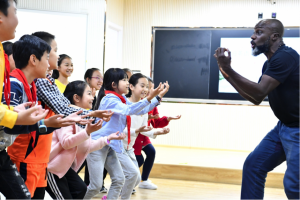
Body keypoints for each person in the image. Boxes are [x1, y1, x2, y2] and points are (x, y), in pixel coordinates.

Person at [214, 19, 300, 200]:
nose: (253, 37)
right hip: (284, 127)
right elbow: (257, 98)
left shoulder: (285, 57)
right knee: (254, 166)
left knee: (294, 186)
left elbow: (259, 91)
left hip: (297, 130)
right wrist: (226, 73)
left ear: (275, 36)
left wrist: (228, 68)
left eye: (259, 32)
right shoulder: (269, 63)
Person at [2, 35, 82, 200]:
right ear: (33, 59)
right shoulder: (16, 83)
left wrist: (49, 124)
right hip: (24, 157)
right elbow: (12, 124)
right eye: (49, 55)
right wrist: (47, 123)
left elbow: (26, 123)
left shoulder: (32, 84)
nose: (53, 59)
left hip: (38, 158)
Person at [83, 68, 168, 200]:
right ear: (113, 84)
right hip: (97, 145)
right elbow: (129, 110)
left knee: (119, 179)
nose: (127, 83)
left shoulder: (121, 98)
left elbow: (140, 110)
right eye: (124, 80)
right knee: (95, 186)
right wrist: (150, 97)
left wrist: (157, 97)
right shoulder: (110, 99)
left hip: (111, 145)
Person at [46, 80, 125, 200]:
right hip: (52, 168)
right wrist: (87, 132)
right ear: (76, 98)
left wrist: (108, 138)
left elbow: (87, 147)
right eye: (89, 93)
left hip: (64, 168)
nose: (93, 97)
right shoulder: (68, 117)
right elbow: (66, 143)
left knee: (81, 189)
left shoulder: (83, 120)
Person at [31, 31, 114, 125]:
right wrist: (92, 115)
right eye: (55, 51)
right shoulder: (41, 80)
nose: (58, 56)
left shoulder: (48, 80)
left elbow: (66, 105)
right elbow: (63, 109)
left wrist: (93, 114)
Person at [120, 73, 170, 197]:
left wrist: (159, 131)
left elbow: (143, 129)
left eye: (147, 86)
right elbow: (121, 130)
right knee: (126, 177)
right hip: (118, 147)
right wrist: (136, 131)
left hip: (129, 148)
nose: (146, 89)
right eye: (142, 86)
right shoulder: (124, 105)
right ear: (131, 86)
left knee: (136, 178)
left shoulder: (144, 107)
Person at [133, 77, 181, 190]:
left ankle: (144, 180)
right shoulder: (138, 102)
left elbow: (155, 122)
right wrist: (146, 118)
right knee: (139, 160)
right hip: (135, 137)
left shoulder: (152, 103)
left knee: (151, 152)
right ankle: (130, 181)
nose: (149, 90)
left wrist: (168, 119)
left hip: (145, 136)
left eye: (151, 87)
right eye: (145, 87)